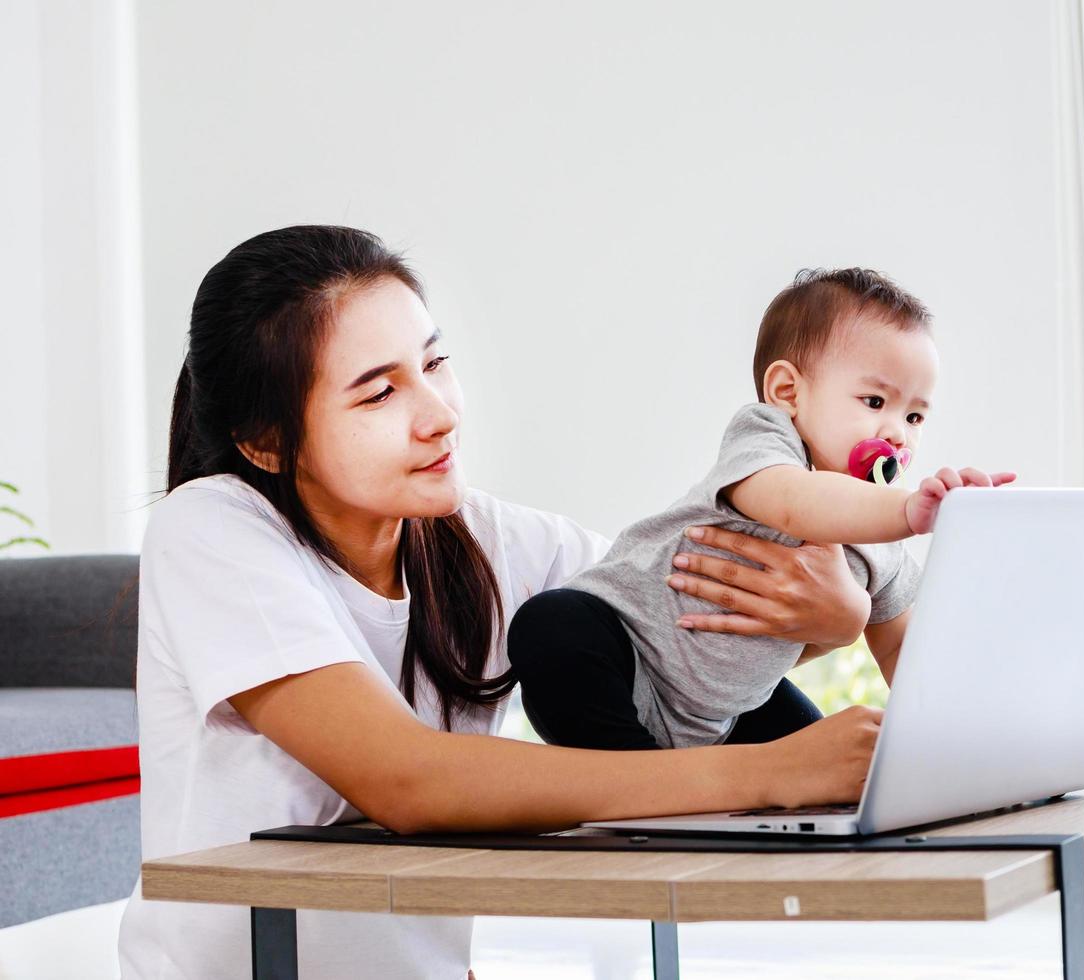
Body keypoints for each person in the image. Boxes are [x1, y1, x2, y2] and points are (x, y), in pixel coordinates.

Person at [117, 226, 881, 980]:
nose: (439, 413)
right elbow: (406, 781)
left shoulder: (487, 538)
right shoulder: (212, 527)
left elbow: (675, 644)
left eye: (435, 363)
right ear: (266, 442)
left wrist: (832, 621)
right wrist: (772, 771)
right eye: (381, 392)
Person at [509, 268, 1015, 751]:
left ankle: (694, 787)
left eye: (915, 415)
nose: (897, 434)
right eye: (875, 402)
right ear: (787, 393)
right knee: (551, 625)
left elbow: (903, 652)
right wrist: (909, 510)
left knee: (816, 754)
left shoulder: (885, 543)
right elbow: (798, 508)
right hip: (629, 656)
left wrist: (960, 737)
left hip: (726, 714)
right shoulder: (767, 445)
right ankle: (639, 784)